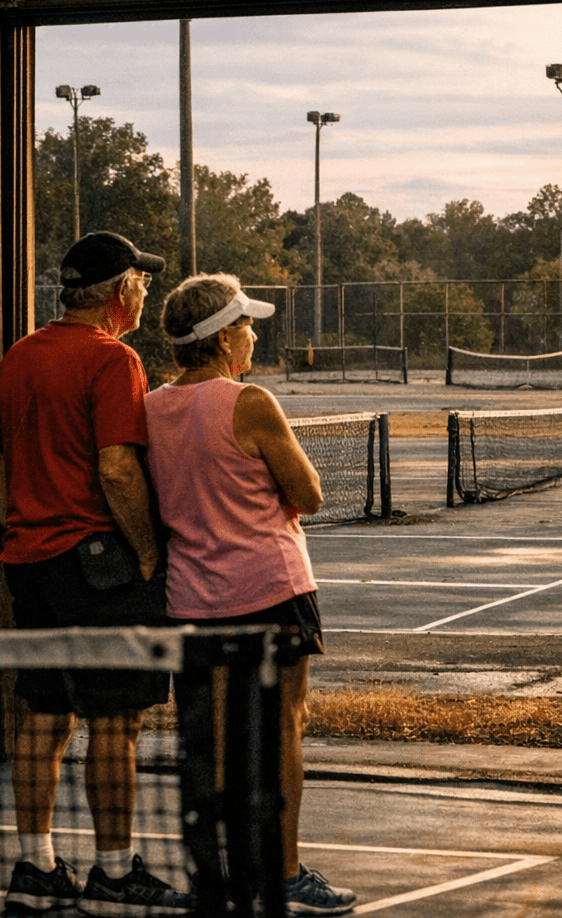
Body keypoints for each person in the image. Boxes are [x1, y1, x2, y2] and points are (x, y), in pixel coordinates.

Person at [0, 231, 195, 916]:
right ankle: (114, 868)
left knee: (44, 715)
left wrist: (28, 528)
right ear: (121, 290)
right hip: (99, 568)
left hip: (30, 567)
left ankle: (36, 866)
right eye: (142, 281)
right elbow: (117, 468)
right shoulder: (112, 358)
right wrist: (147, 553)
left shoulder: (19, 356)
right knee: (118, 721)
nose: (147, 290)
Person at [143, 273, 356, 917]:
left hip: (191, 601)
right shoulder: (251, 401)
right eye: (247, 325)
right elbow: (311, 494)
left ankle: (219, 876)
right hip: (272, 589)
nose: (255, 334)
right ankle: (282, 873)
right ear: (223, 337)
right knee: (284, 729)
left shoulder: (148, 407)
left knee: (209, 741)